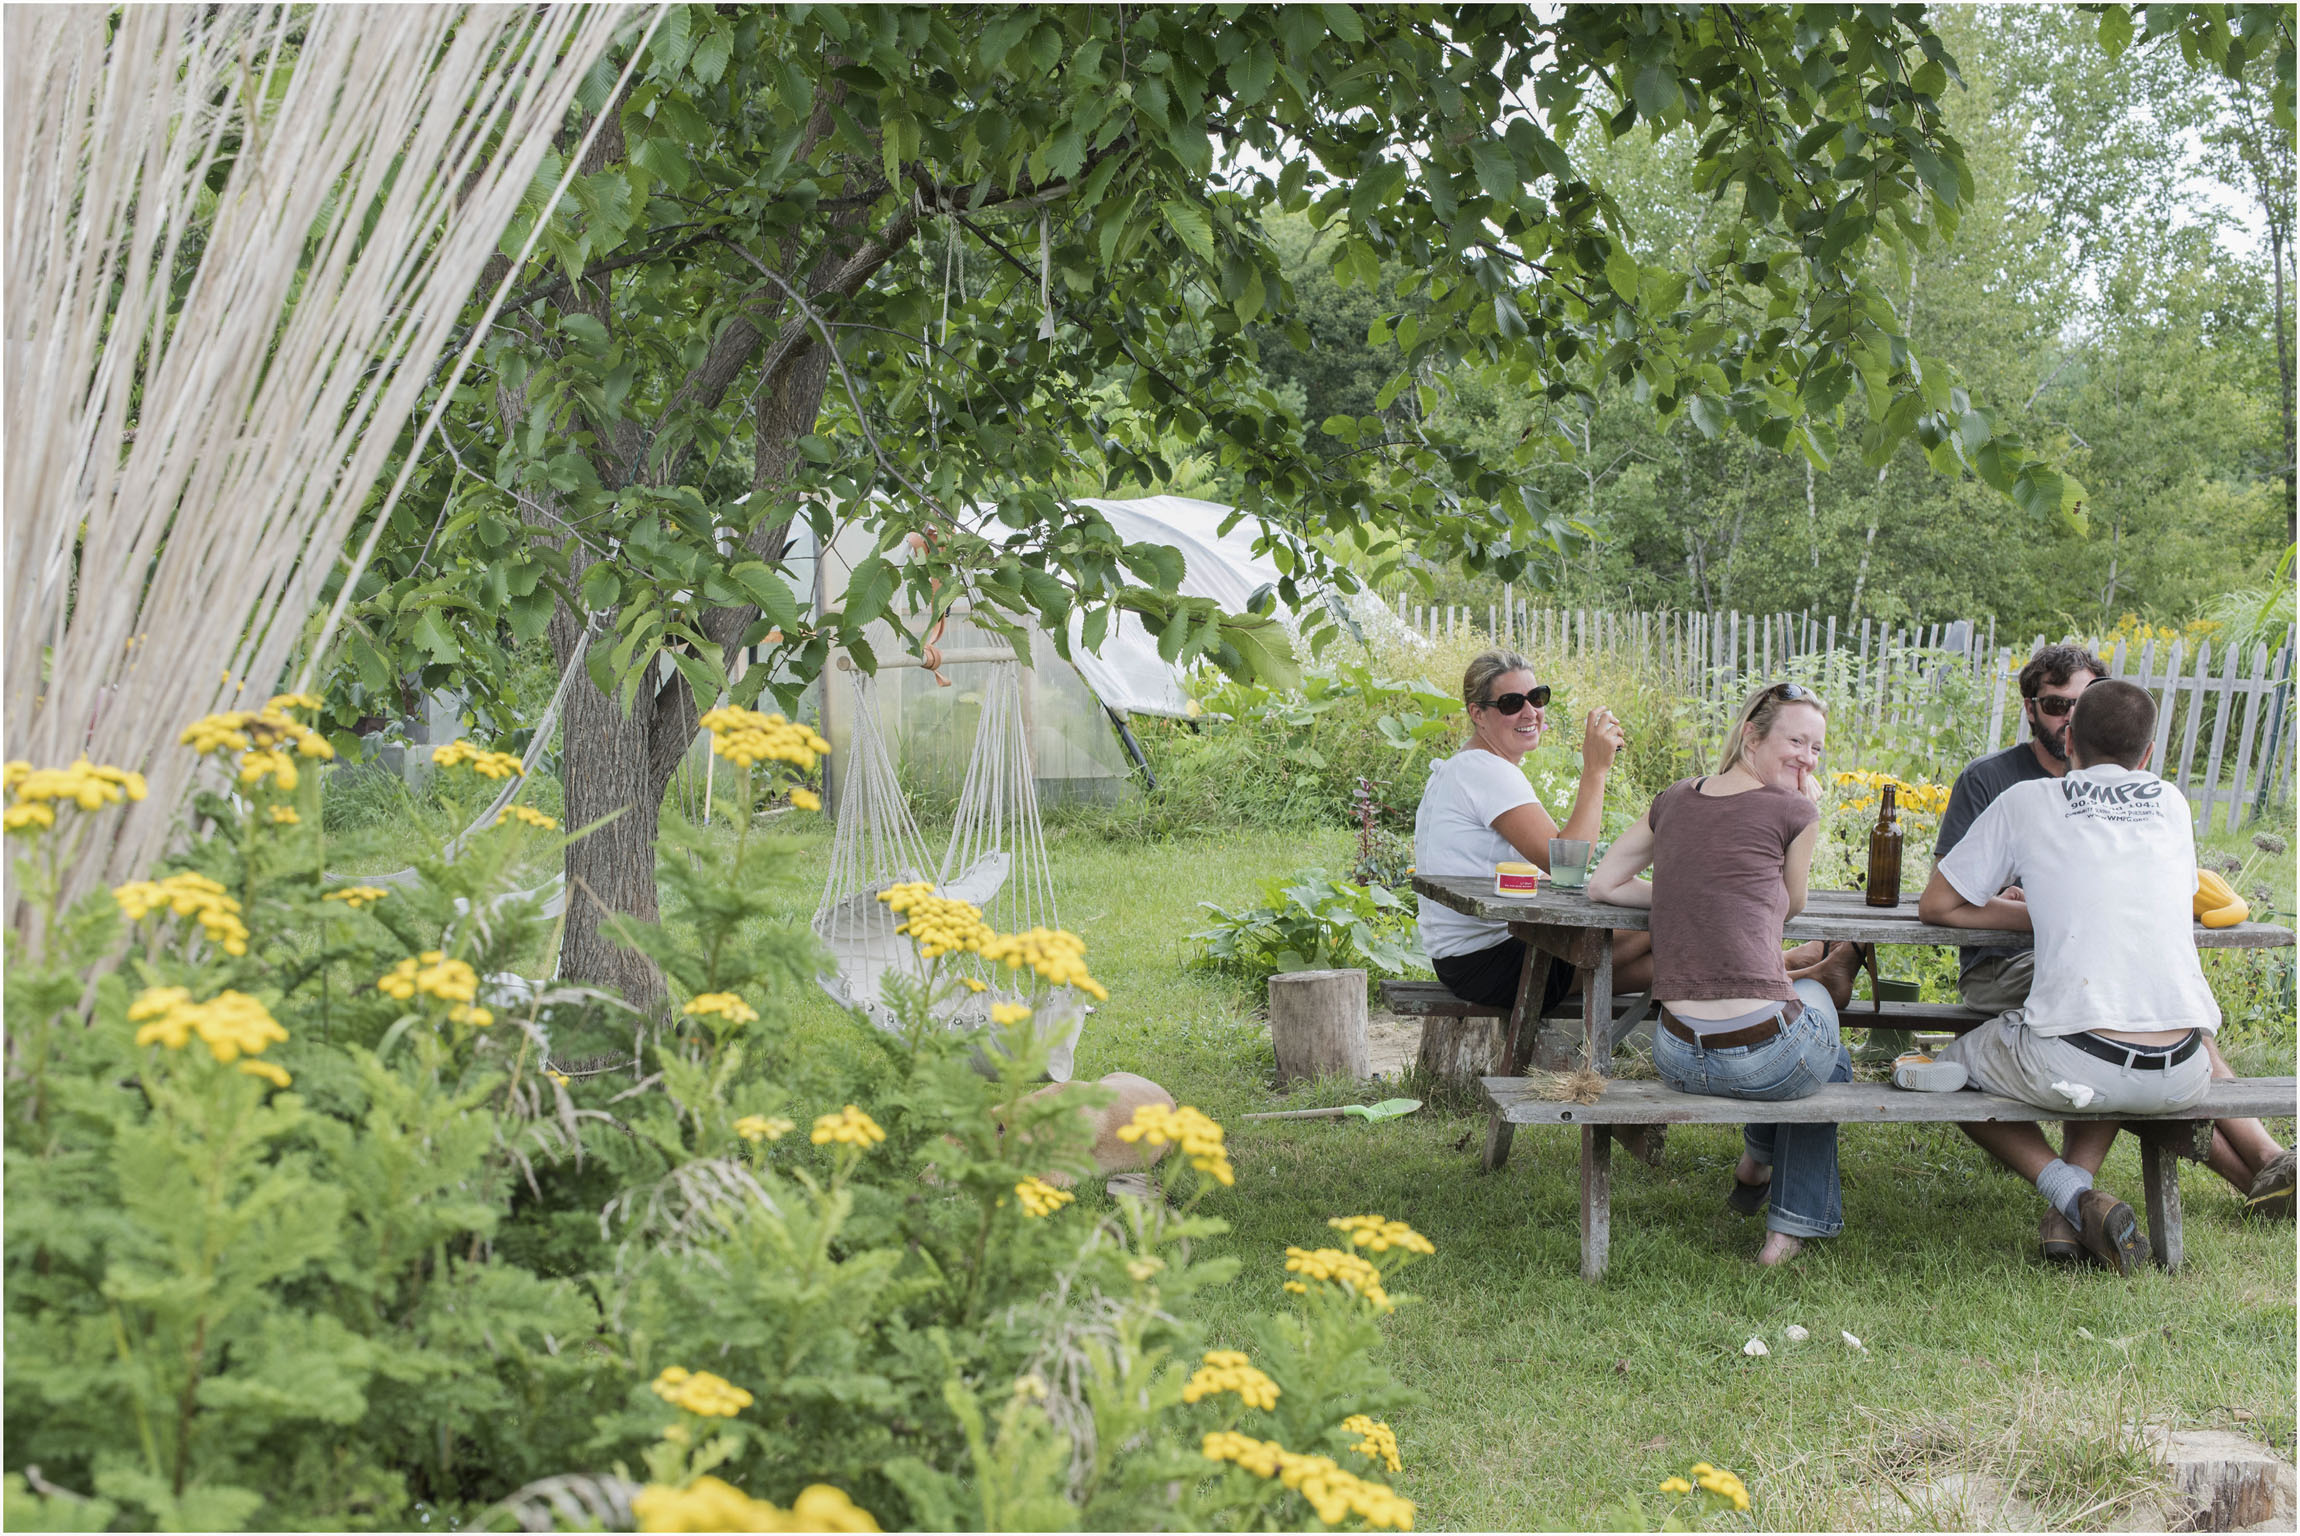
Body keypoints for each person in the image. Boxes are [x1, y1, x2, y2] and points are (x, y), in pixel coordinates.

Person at [1935, 645, 2292, 1244]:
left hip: (2082, 1055)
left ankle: (2070, 1196)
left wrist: (2048, 910)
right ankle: (2260, 1164)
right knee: (2112, 1015)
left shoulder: (2026, 800)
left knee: (1947, 1067)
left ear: (2071, 742)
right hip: (2185, 1067)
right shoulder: (2172, 803)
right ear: (2148, 756)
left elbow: (1938, 904)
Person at [1587, 682, 1866, 1266]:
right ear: (1751, 736)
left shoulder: (1675, 797)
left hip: (1677, 1056)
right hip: (1762, 1061)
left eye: (1817, 749)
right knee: (1821, 1018)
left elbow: (1603, 884)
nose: (1807, 759)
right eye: (1796, 741)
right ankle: (1787, 1226)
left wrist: (1684, 892)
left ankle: (1756, 1167)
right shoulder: (1796, 809)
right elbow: (1792, 905)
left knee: (1815, 1030)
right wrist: (1802, 811)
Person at [1414, 649, 1653, 1032]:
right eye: (1511, 703)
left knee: (1669, 954)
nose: (1529, 713)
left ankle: (1773, 970)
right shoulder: (1485, 771)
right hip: (1493, 958)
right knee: (1676, 919)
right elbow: (1567, 863)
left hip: (1469, 958)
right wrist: (1595, 769)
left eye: (1537, 697)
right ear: (1478, 714)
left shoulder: (1466, 766)